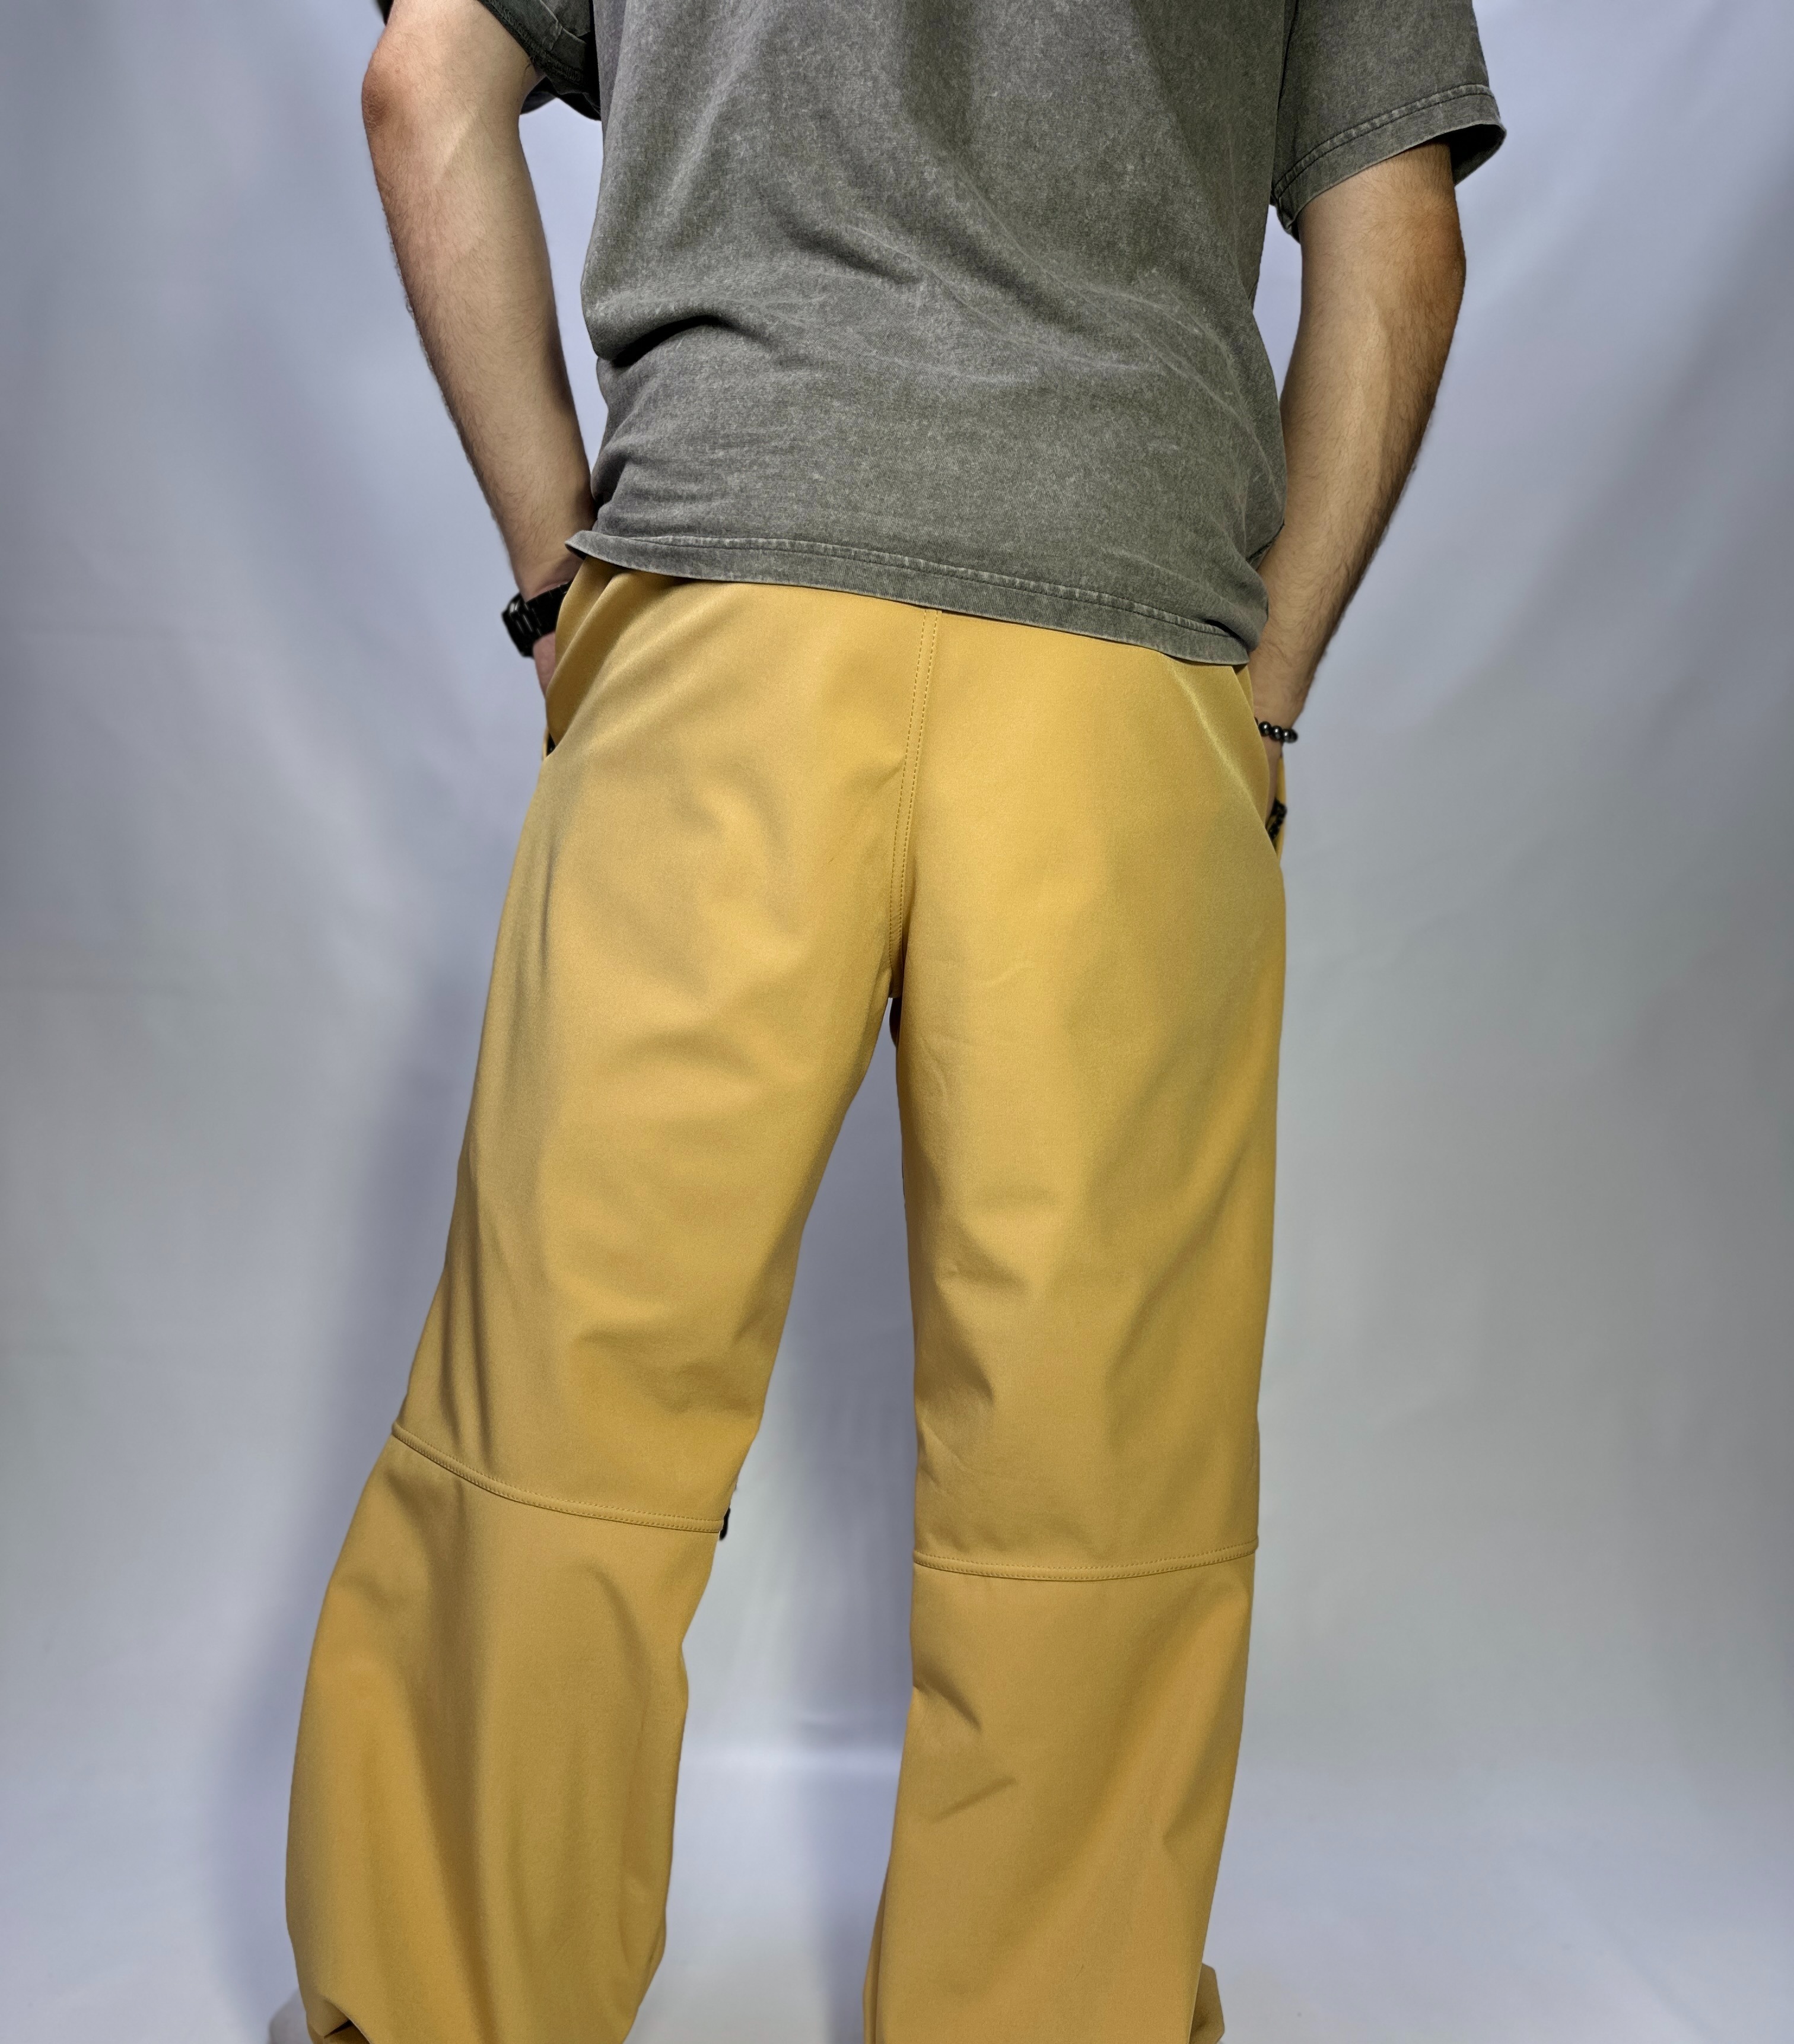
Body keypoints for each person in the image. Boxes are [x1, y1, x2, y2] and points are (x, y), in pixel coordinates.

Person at [286, 0, 1502, 2037]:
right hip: (1122, 648)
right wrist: (1267, 684)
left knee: (569, 1395)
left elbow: (424, 87)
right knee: (1095, 1454)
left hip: (725, 610)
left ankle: (447, 2006)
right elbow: (1403, 232)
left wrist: (558, 587)